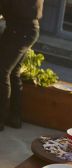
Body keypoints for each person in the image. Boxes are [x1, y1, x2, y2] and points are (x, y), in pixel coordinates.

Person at [0, 0, 43, 131]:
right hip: (23, 29)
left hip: (21, 30)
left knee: (2, 72)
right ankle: (14, 117)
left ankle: (1, 119)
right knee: (13, 73)